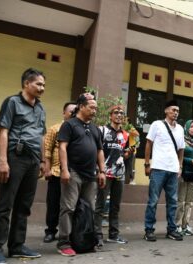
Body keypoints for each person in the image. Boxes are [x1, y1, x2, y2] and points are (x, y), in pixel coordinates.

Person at [0, 68, 46, 264]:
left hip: (33, 161)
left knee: (24, 206)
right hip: (14, 157)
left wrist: (43, 161)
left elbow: (41, 136)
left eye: (44, 85)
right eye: (38, 84)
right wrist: (3, 160)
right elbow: (3, 131)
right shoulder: (12, 102)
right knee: (5, 204)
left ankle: (16, 246)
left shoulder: (40, 108)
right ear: (26, 84)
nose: (42, 88)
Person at [57, 93, 106, 256]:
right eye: (91, 107)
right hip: (73, 172)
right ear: (81, 106)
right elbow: (62, 148)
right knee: (69, 207)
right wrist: (64, 170)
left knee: (88, 209)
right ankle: (64, 243)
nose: (94, 111)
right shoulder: (69, 125)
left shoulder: (94, 128)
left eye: (96, 108)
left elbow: (100, 151)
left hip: (91, 175)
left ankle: (83, 242)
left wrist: (102, 171)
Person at [143, 99, 185, 242]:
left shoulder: (180, 129)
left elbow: (181, 149)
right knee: (153, 200)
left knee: (173, 201)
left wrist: (180, 166)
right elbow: (149, 143)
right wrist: (147, 163)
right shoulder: (157, 125)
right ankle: (149, 230)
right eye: (173, 110)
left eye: (178, 111)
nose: (176, 113)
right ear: (166, 110)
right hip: (158, 168)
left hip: (173, 170)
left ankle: (171, 230)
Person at [94, 105, 133, 247]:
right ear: (110, 115)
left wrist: (128, 156)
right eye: (116, 112)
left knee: (115, 206)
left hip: (119, 174)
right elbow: (96, 150)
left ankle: (113, 235)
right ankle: (97, 235)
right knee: (100, 205)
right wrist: (99, 170)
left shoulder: (126, 134)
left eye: (121, 113)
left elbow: (124, 153)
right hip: (105, 172)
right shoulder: (102, 130)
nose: (119, 115)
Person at [43, 102, 77, 243]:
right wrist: (47, 168)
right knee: (53, 203)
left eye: (75, 111)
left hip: (74, 173)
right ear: (64, 113)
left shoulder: (78, 129)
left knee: (70, 205)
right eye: (70, 111)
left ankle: (70, 232)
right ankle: (51, 231)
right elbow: (47, 150)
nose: (73, 113)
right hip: (56, 172)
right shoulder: (54, 128)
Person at [175, 120, 193, 236]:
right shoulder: (182, 139)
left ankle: (185, 225)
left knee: (190, 202)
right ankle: (177, 225)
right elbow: (179, 155)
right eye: (191, 126)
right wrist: (189, 161)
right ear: (186, 128)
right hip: (184, 174)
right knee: (181, 201)